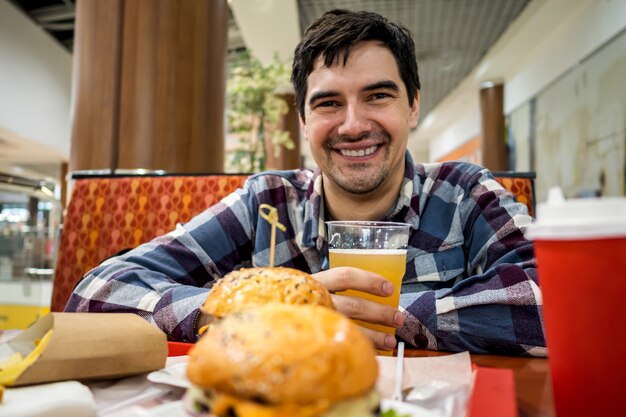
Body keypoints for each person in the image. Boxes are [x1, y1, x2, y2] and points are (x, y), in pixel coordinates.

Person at [66, 9, 546, 356]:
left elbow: (559, 304)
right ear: (302, 118)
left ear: (413, 105)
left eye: (377, 96)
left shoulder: (462, 192)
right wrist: (271, 312)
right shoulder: (266, 203)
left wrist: (381, 317)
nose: (353, 125)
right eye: (328, 103)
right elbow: (96, 293)